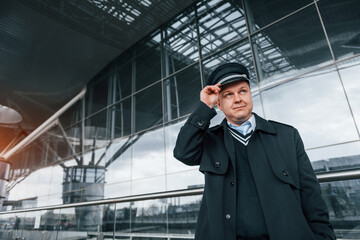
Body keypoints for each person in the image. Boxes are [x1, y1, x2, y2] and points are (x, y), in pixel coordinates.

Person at [173, 63, 336, 240]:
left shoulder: (286, 135)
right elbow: (183, 152)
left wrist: (324, 235)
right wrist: (204, 107)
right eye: (228, 95)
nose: (237, 99)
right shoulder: (210, 140)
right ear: (218, 104)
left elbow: (310, 193)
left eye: (243, 91)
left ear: (250, 95)